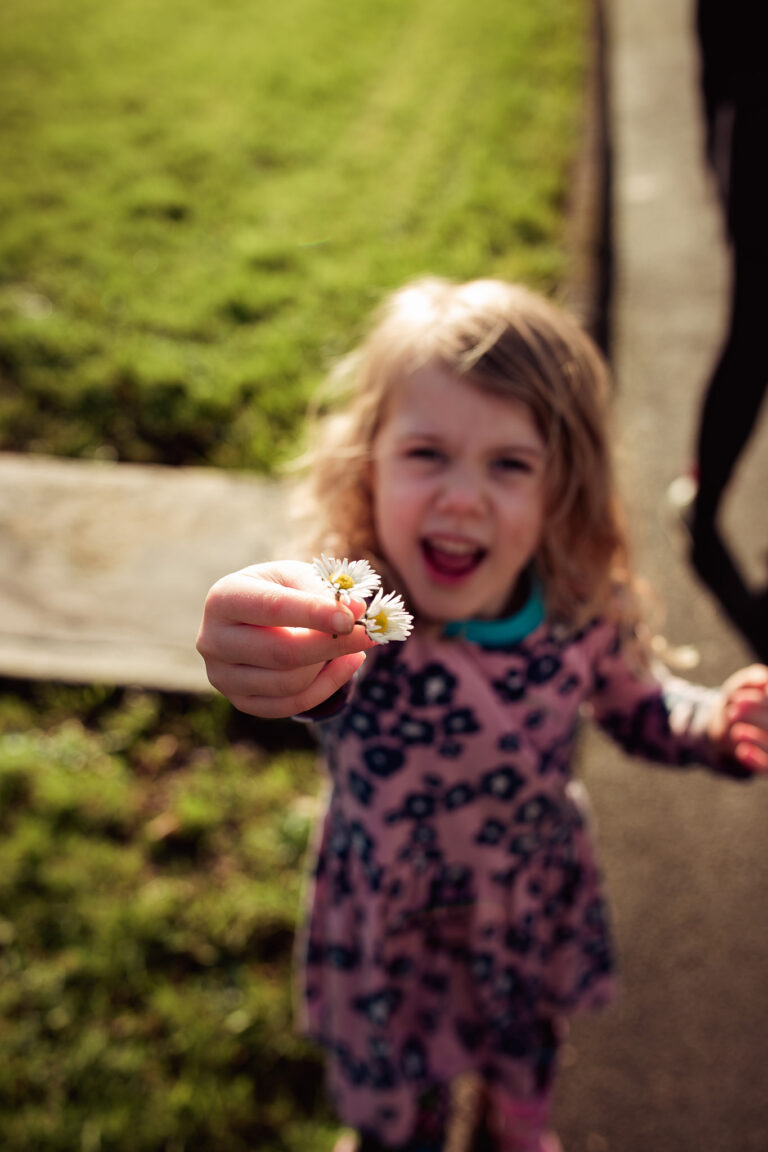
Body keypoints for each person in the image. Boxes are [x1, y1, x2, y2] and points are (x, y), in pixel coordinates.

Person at [196, 278, 768, 1152]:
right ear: (369, 461)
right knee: (401, 1122)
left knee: (521, 1078)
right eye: (428, 453)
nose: (464, 497)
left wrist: (713, 725)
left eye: (509, 464)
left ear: (559, 487)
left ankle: (513, 1131)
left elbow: (639, 705)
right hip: (390, 929)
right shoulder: (356, 614)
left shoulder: (579, 608)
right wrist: (262, 641)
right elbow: (301, 656)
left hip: (523, 910)